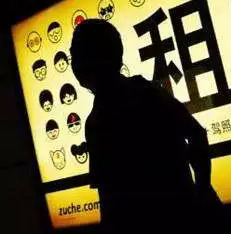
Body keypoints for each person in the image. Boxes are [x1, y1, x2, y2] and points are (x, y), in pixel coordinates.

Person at [70, 19, 220, 233]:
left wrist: (201, 193)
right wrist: (202, 191)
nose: (75, 63)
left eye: (77, 54)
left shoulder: (98, 121)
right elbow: (196, 134)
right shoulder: (146, 92)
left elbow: (110, 200)